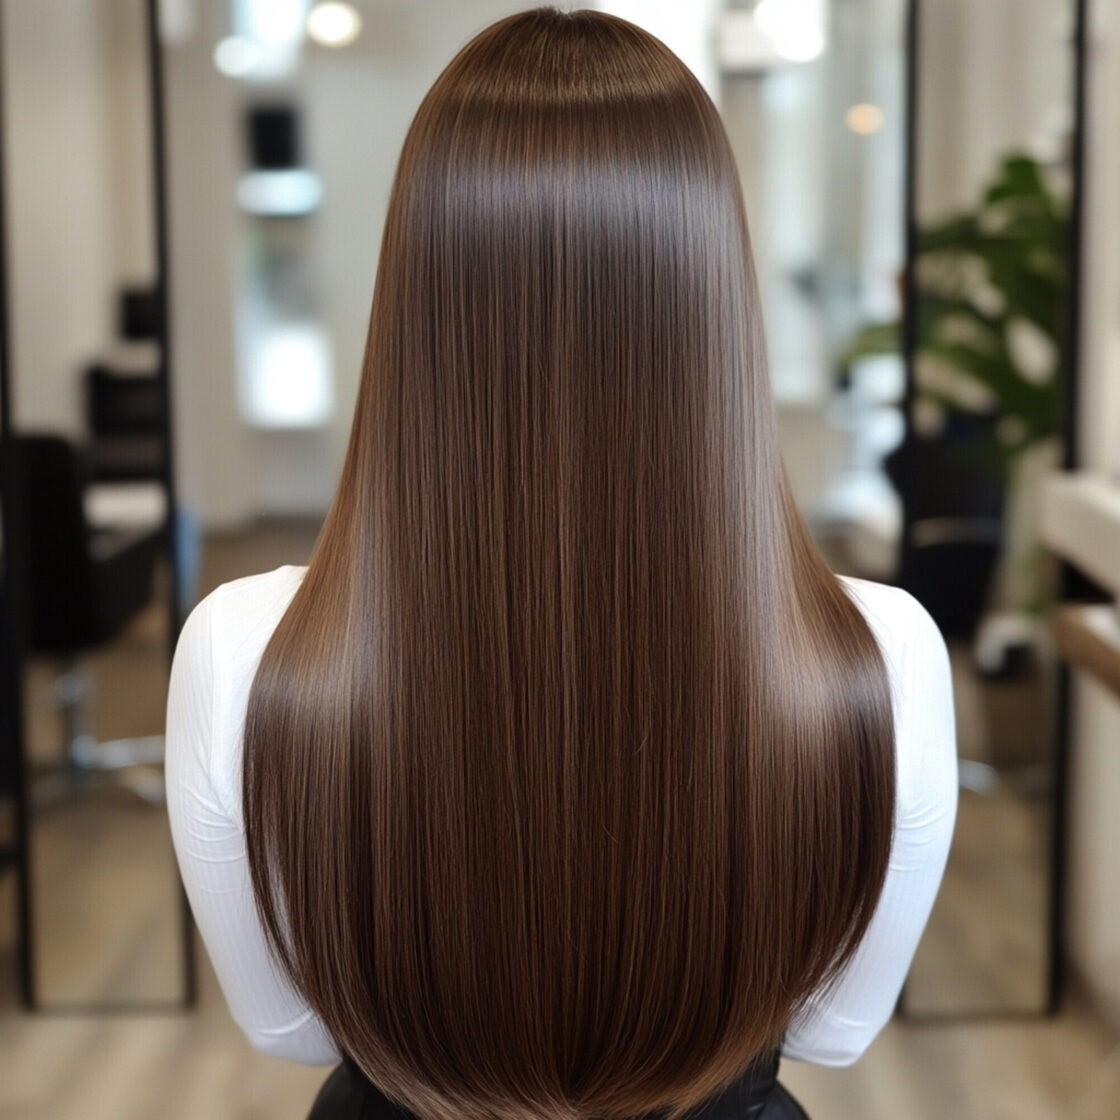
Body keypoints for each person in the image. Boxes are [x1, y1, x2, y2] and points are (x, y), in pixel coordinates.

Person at [165, 8, 958, 1120]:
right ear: (711, 295)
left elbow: (287, 1031)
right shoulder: (878, 651)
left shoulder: (245, 647)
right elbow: (834, 1029)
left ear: (419, 293)